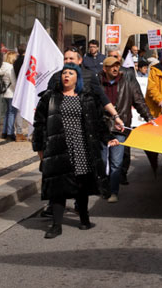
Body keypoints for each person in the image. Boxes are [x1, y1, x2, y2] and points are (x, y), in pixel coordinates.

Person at [33, 64, 119, 238]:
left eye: (70, 73)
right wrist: (40, 148)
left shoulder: (87, 98)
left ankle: (84, 218)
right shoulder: (50, 98)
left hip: (81, 146)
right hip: (58, 147)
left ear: (76, 78)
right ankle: (56, 225)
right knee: (58, 186)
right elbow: (39, 124)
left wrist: (108, 137)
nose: (66, 76)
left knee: (81, 184)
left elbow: (97, 122)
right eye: (64, 73)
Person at [99, 57, 152, 202]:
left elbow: (139, 101)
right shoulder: (97, 83)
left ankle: (113, 192)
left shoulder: (127, 83)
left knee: (116, 163)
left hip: (120, 128)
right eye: (111, 67)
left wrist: (150, 118)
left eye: (117, 66)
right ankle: (104, 187)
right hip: (102, 128)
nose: (115, 69)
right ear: (105, 69)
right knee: (102, 161)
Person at [0, 51, 18, 141]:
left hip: (5, 94)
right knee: (12, 113)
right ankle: (10, 133)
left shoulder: (3, 67)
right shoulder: (10, 68)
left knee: (7, 113)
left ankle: (4, 132)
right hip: (11, 93)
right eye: (15, 57)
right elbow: (13, 82)